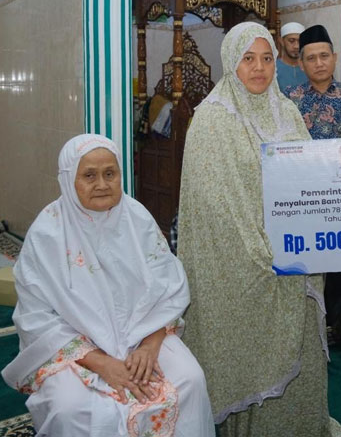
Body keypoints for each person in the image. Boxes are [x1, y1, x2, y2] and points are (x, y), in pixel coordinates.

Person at [178, 22, 341, 436]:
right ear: (231, 63)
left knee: (301, 352)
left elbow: (311, 177)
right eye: (248, 59)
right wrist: (265, 255)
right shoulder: (212, 120)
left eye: (267, 58)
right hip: (244, 266)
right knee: (249, 357)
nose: (259, 68)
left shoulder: (286, 111)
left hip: (296, 258)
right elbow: (214, 207)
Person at [1, 133, 214, 437]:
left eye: (110, 174)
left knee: (190, 379)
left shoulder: (137, 218)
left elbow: (168, 289)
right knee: (70, 407)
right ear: (68, 180)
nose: (102, 184)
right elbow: (36, 318)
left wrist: (150, 345)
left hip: (143, 335)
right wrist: (101, 363)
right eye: (89, 175)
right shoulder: (48, 233)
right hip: (73, 348)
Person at [283, 24, 341, 350]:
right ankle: (310, 330)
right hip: (304, 196)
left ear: (334, 58)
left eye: (324, 56)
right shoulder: (290, 101)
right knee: (310, 265)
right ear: (301, 64)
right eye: (311, 58)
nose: (319, 63)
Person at [275, 21, 307, 92]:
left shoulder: (310, 67)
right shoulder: (273, 69)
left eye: (300, 41)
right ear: (281, 41)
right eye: (291, 41)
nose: (296, 46)